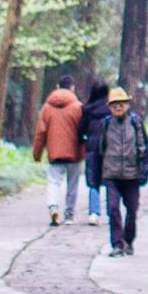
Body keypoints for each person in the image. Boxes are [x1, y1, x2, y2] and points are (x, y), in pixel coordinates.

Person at [89, 84, 148, 256]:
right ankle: (117, 243)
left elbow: (146, 150)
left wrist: (144, 172)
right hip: (111, 174)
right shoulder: (105, 124)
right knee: (113, 209)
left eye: (122, 103)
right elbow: (98, 152)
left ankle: (128, 240)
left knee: (132, 210)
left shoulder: (135, 123)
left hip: (132, 175)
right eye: (115, 103)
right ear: (109, 106)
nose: (118, 106)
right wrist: (94, 179)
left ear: (127, 105)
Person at [30, 75, 85, 226]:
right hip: (74, 153)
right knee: (72, 184)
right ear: (72, 87)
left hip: (54, 153)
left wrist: (37, 154)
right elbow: (83, 130)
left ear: (57, 87)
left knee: (54, 182)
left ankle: (53, 207)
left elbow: (40, 132)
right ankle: (69, 214)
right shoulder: (78, 107)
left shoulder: (47, 108)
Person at [81, 81, 109, 225]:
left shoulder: (87, 110)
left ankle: (93, 212)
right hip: (109, 147)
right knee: (111, 179)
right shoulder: (111, 108)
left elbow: (82, 129)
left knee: (93, 181)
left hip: (92, 146)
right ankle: (112, 211)